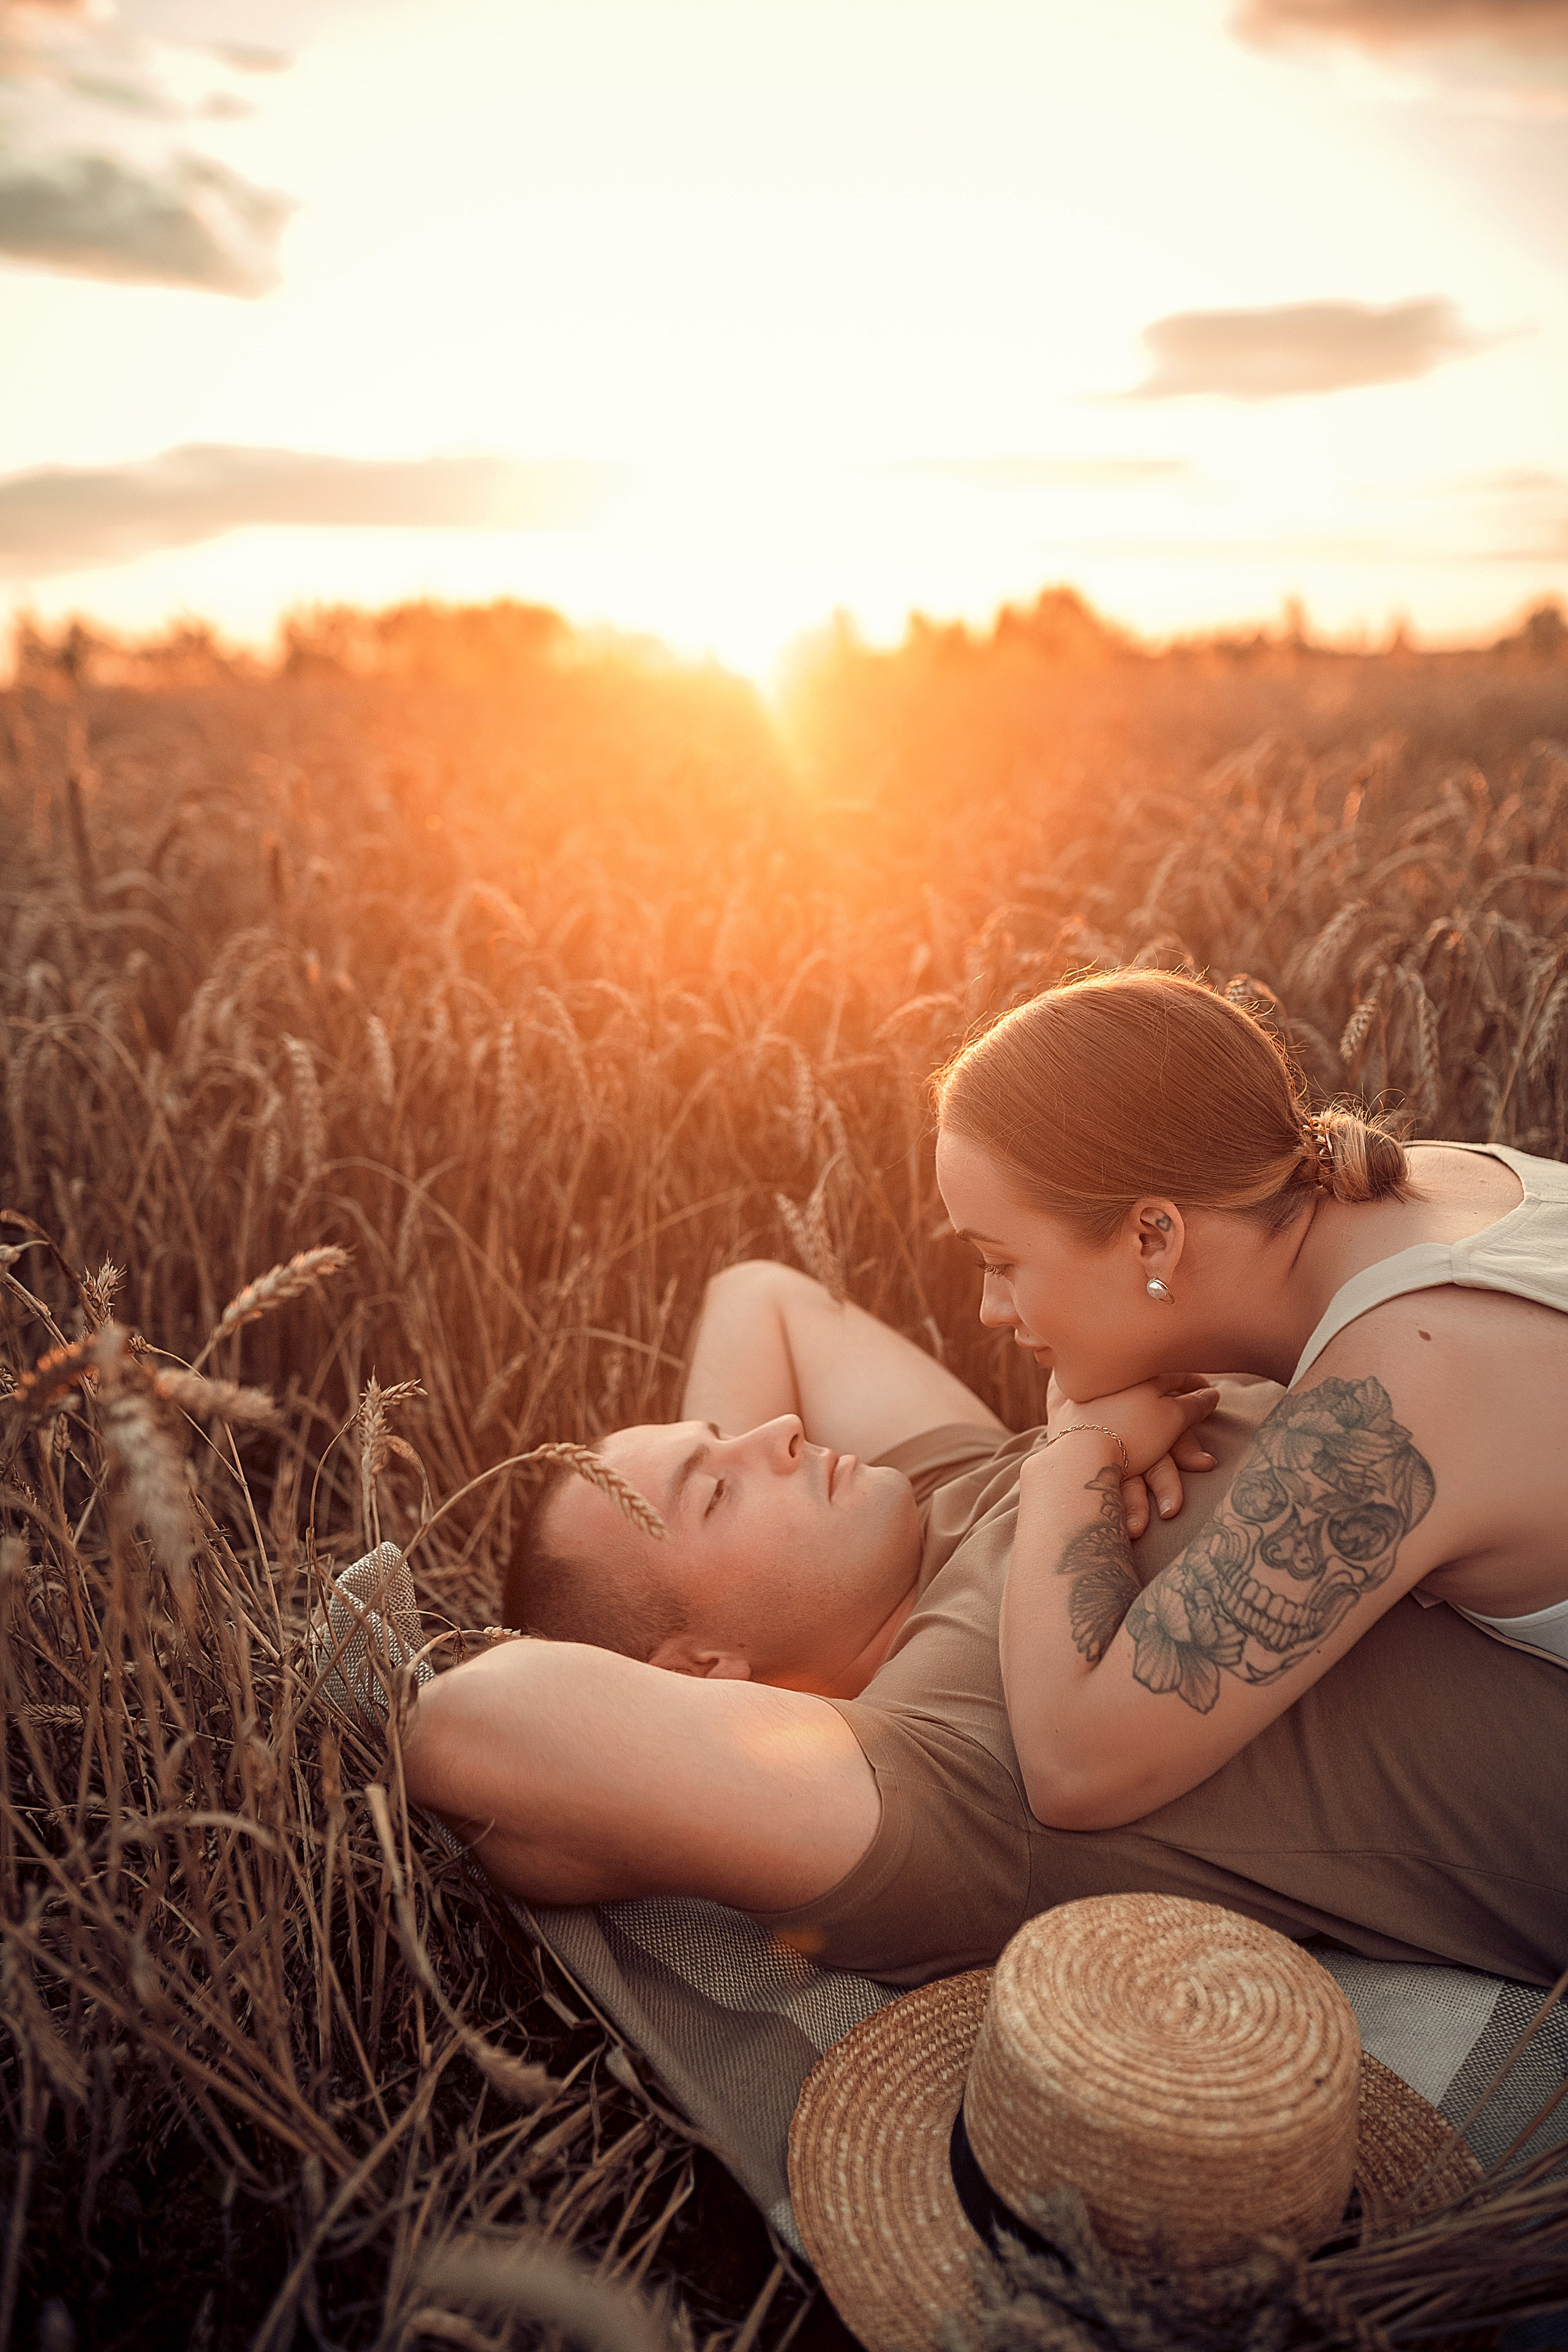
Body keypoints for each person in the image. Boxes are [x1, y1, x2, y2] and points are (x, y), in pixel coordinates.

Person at [402, 1243, 1568, 1988]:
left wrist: (696, 1501)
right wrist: (732, 1693)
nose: (776, 1435)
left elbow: (760, 1293)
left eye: (730, 1437)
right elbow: (471, 1727)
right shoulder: (943, 1775)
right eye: (719, 1488)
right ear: (706, 1678)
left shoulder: (942, 1494)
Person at [931, 967, 1568, 1845]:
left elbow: (1077, 1768)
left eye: (1001, 1262)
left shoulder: (1399, 1386)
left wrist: (1071, 1451)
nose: (991, 1312)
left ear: (1155, 1235)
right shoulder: (1432, 1182)